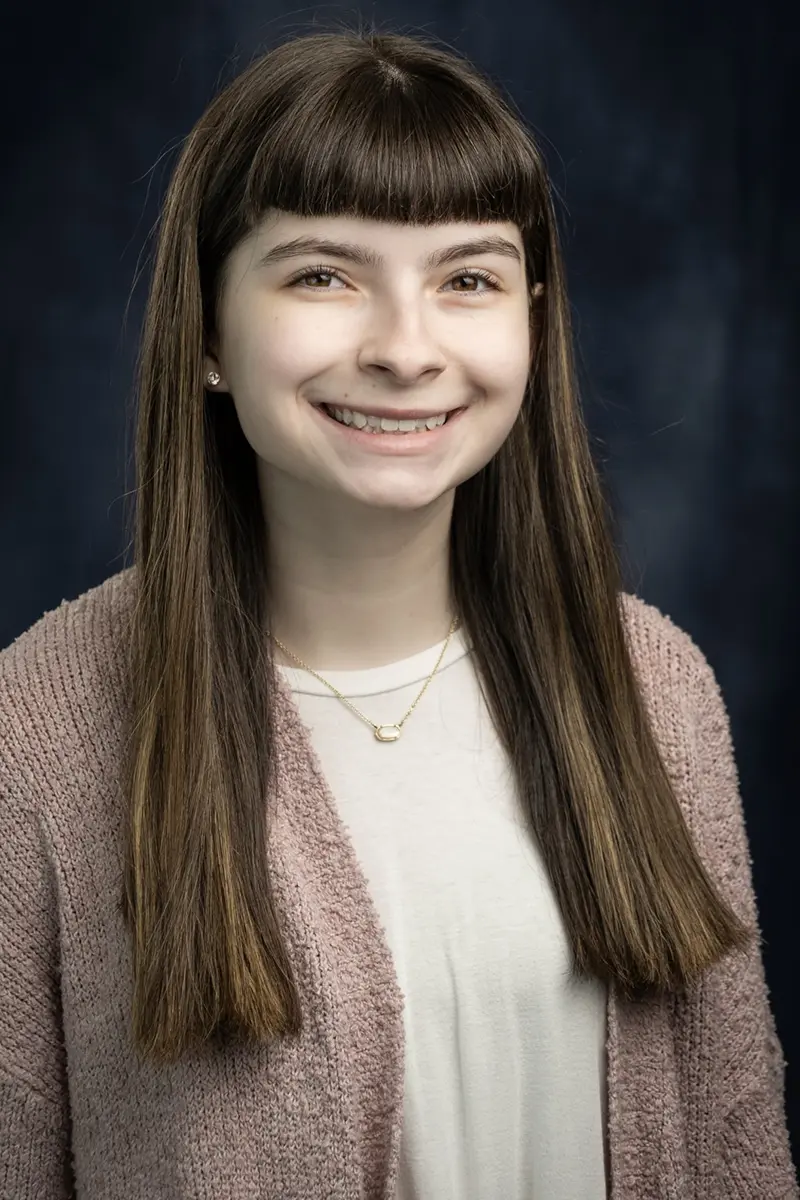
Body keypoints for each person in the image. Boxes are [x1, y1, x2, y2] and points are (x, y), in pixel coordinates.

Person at [0, 23, 796, 1200]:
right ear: (211, 330)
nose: (406, 350)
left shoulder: (652, 684)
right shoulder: (37, 732)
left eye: (466, 279)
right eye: (323, 274)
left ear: (531, 318)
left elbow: (738, 1145)